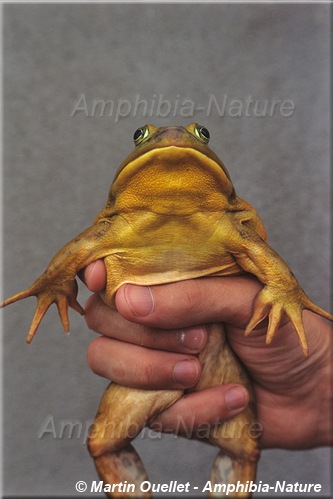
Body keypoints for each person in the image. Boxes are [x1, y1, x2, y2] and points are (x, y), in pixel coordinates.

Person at [82, 260, 332, 449]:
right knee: (104, 445)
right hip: (256, 389)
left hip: (241, 375)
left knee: (242, 452)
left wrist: (319, 386)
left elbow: (255, 246)